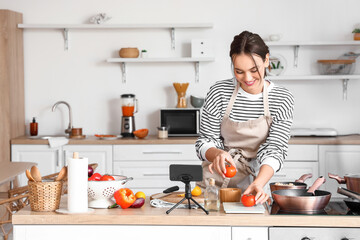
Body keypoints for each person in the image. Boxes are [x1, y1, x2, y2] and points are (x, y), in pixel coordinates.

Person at [196, 30, 294, 204]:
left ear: (266, 60)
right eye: (239, 71)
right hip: (212, 184)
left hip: (254, 184)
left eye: (254, 70)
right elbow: (205, 141)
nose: (247, 78)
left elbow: (275, 149)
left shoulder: (282, 98)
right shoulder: (219, 92)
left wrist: (259, 183)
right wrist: (217, 153)